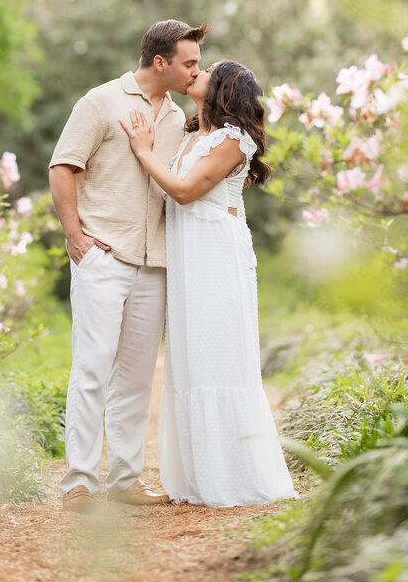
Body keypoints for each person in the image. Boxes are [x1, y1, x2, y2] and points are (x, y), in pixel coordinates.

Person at [49, 19, 209, 513]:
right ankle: (78, 480)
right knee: (93, 367)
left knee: (138, 378)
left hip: (155, 263)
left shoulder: (178, 116)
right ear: (160, 62)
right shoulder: (100, 102)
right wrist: (76, 236)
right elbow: (62, 167)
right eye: (189, 63)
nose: (195, 71)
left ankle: (124, 478)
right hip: (104, 255)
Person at [120, 60, 296, 507]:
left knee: (218, 354)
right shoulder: (192, 133)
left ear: (223, 89)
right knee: (193, 356)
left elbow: (183, 191)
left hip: (216, 252)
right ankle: (198, 475)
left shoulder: (233, 139)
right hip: (188, 252)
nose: (197, 71)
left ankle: (231, 476)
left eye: (208, 70)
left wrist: (143, 151)